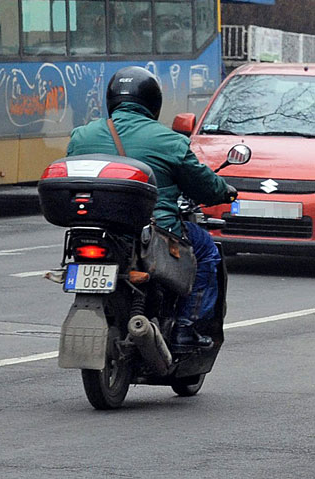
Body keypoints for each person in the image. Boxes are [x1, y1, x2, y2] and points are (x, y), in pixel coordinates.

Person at [67, 66, 237, 353]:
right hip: (156, 232)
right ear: (152, 102)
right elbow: (205, 187)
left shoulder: (82, 135)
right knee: (206, 250)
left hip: (100, 231)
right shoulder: (170, 141)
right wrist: (225, 191)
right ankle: (185, 328)